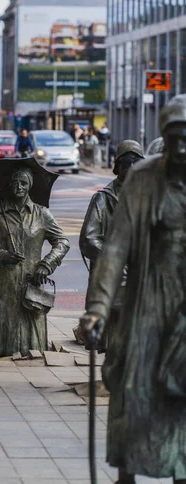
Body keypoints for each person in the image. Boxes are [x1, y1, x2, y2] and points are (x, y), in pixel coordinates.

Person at [81, 94, 186, 483]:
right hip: (147, 302)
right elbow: (114, 250)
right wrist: (97, 308)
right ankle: (127, 474)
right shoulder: (142, 180)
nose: (181, 148)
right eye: (174, 138)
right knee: (134, 391)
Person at [0, 167, 70, 356]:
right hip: (4, 281)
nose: (18, 187)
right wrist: (2, 255)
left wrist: (46, 264)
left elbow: (62, 242)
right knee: (5, 325)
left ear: (30, 186)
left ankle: (33, 351)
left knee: (32, 328)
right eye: (15, 183)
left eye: (23, 183)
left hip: (32, 279)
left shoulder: (42, 214)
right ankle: (2, 351)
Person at [78, 140, 144, 349]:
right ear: (118, 168)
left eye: (136, 164)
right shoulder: (103, 199)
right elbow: (88, 239)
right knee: (114, 334)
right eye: (126, 164)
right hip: (111, 277)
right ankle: (110, 377)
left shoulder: (147, 198)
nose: (131, 169)